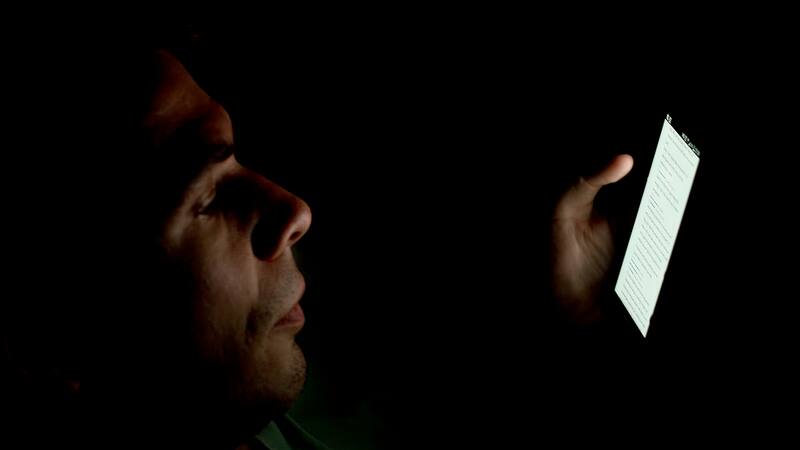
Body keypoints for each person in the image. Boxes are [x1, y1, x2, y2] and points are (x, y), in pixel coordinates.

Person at [1, 30, 634, 450]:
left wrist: (576, 329)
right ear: (62, 337)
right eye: (206, 198)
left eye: (236, 162)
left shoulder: (321, 402)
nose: (293, 210)